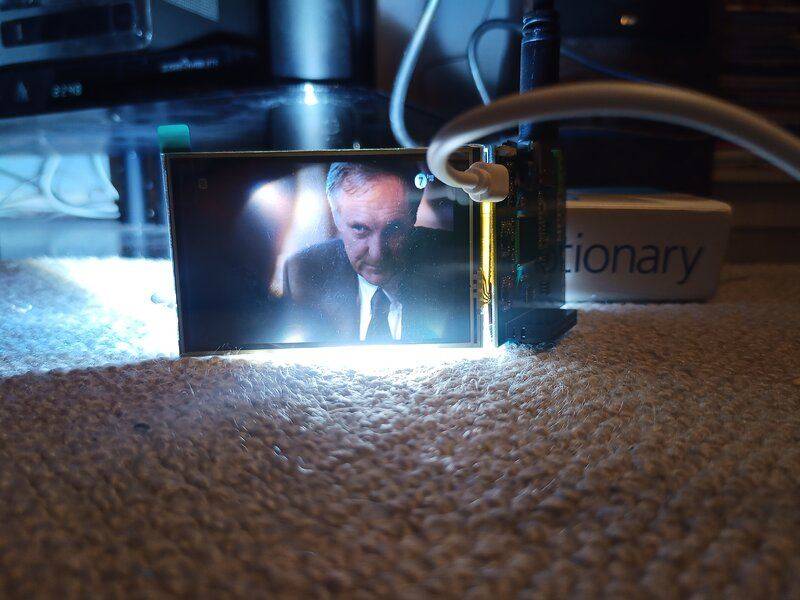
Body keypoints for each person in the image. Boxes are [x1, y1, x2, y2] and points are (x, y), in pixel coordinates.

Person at [282, 161, 468, 344]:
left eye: (394, 229)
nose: (377, 254)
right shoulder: (302, 273)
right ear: (336, 217)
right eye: (360, 228)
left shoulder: (460, 265)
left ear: (413, 214)